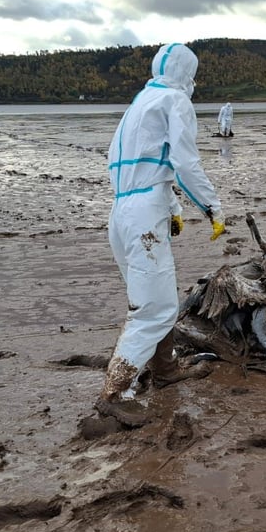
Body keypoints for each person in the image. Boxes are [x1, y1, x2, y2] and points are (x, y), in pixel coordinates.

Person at [96, 43, 226, 426]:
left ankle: (165, 369)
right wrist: (211, 207)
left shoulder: (139, 104)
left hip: (122, 212)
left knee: (157, 297)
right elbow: (183, 162)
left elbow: (136, 165)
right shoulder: (175, 101)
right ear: (189, 72)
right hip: (143, 215)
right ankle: (115, 393)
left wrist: (172, 208)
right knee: (152, 309)